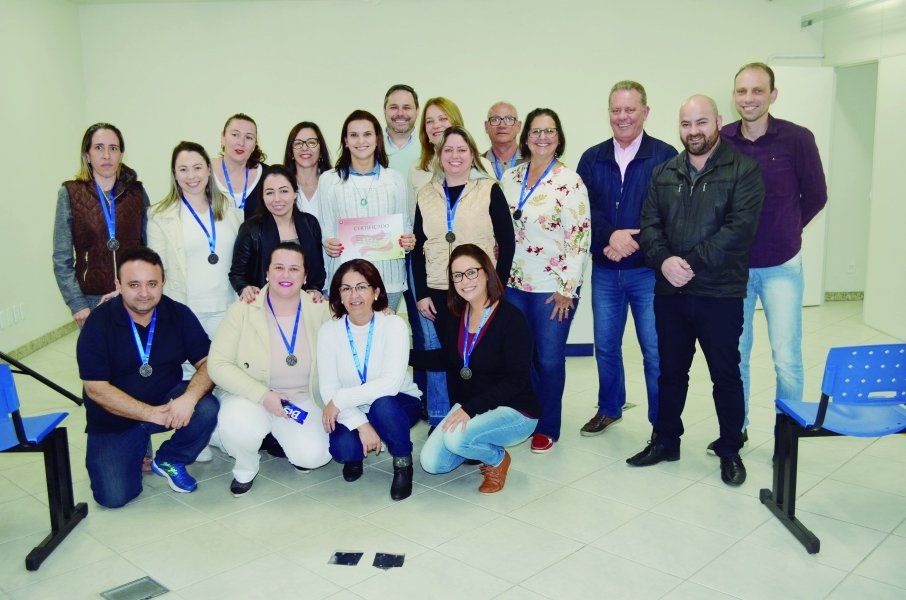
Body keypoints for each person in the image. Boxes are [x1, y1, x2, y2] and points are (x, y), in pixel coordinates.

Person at [629, 95, 764, 487]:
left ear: (719, 121)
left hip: (719, 293)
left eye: (701, 122)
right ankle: (665, 441)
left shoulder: (744, 170)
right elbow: (649, 225)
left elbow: (739, 231)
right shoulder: (664, 172)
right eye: (686, 124)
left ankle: (730, 449)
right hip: (671, 293)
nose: (693, 132)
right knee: (671, 372)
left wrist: (688, 263)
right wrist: (663, 261)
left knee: (726, 375)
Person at [720, 62, 828, 451]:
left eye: (757, 91)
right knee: (736, 355)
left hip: (782, 265)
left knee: (786, 357)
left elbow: (816, 195)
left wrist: (789, 228)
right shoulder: (722, 140)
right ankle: (738, 428)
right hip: (735, 268)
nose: (748, 98)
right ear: (734, 96)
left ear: (773, 95)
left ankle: (788, 437)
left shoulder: (797, 139)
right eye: (742, 91)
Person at [76, 246, 219, 508]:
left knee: (206, 406)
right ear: (118, 285)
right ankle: (135, 447)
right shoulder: (98, 323)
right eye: (134, 285)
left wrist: (188, 399)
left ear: (163, 282)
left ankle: (170, 458)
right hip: (114, 418)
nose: (144, 293)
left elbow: (209, 362)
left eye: (152, 284)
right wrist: (150, 414)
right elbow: (95, 388)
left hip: (164, 402)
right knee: (114, 497)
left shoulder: (178, 314)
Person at [575, 81, 678, 437]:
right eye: (616, 110)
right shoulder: (592, 158)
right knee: (606, 346)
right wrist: (609, 239)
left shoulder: (665, 156)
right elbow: (583, 209)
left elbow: (670, 213)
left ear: (645, 112)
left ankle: (661, 423)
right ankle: (609, 408)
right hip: (605, 271)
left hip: (648, 272)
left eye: (630, 109)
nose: (623, 117)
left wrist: (635, 242)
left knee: (654, 350)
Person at [208, 243, 332, 496]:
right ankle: (245, 466)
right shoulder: (243, 308)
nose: (286, 275)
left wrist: (383, 311)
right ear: (266, 273)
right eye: (278, 268)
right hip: (253, 396)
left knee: (314, 457)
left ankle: (277, 436)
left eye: (294, 269)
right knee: (237, 424)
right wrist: (263, 395)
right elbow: (217, 364)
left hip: (301, 399)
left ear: (305, 277)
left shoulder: (320, 309)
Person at [501, 108, 590, 453]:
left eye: (549, 130)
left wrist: (568, 289)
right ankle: (529, 415)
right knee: (522, 358)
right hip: (513, 284)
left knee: (549, 360)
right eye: (536, 131)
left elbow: (579, 239)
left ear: (558, 137)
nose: (542, 137)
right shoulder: (511, 177)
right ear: (526, 138)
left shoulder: (570, 182)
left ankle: (548, 426)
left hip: (552, 289)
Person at [417, 244, 539, 494]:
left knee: (456, 438)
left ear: (487, 273)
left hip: (514, 410)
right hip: (473, 405)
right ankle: (474, 442)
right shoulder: (456, 315)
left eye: (471, 272)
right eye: (457, 276)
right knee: (432, 464)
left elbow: (516, 380)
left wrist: (470, 409)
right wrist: (404, 357)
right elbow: (447, 359)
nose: (465, 281)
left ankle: (496, 459)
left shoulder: (511, 319)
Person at [318, 259, 422, 501]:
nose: (354, 295)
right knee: (344, 449)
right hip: (353, 407)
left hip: (397, 402)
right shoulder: (328, 331)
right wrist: (361, 425)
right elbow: (329, 389)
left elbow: (390, 384)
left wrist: (341, 399)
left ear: (376, 292)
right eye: (346, 288)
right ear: (339, 295)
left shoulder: (393, 325)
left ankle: (402, 462)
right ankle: (357, 454)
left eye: (361, 287)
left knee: (382, 406)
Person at [412, 126, 516, 356]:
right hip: (438, 288)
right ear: (439, 155)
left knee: (482, 355)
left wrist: (498, 288)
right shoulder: (425, 194)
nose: (455, 156)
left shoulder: (489, 190)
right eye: (448, 150)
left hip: (480, 288)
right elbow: (418, 248)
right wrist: (421, 294)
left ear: (472, 155)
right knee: (451, 356)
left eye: (461, 150)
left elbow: (507, 243)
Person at [53, 122, 149, 328]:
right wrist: (77, 303)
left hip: (133, 295)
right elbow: (62, 258)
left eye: (113, 148)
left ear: (121, 155)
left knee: (137, 349)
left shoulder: (137, 193)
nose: (106, 155)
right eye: (98, 148)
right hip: (91, 301)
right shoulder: (70, 193)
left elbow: (148, 248)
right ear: (87, 155)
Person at [317, 109, 414, 311]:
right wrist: (328, 243)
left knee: (385, 329)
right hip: (345, 281)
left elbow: (405, 226)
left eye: (367, 134)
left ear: (377, 139)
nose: (361, 141)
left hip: (388, 280)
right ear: (345, 141)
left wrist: (407, 241)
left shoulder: (395, 179)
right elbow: (325, 226)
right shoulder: (329, 180)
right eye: (354, 135)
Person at [148, 141, 243, 339]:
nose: (191, 176)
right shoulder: (160, 216)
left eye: (197, 168)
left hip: (229, 309)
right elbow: (156, 270)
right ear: (174, 174)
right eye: (183, 169)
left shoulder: (230, 209)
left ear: (209, 170)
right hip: (185, 311)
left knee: (226, 358)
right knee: (192, 361)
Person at [229, 164, 326, 303]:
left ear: (295, 193)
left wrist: (315, 289)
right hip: (263, 305)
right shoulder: (251, 229)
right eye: (269, 192)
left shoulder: (310, 223)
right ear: (262, 196)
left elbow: (318, 270)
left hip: (304, 304)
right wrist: (244, 288)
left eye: (284, 191)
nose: (277, 199)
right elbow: (237, 274)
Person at [213, 113, 267, 220]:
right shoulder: (204, 172)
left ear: (254, 145)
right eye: (235, 135)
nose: (241, 143)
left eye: (248, 137)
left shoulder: (268, 175)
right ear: (223, 137)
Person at [383, 84, 421, 176]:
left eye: (406, 107)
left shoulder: (430, 147)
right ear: (384, 111)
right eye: (394, 107)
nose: (400, 113)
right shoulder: (370, 146)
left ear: (417, 111)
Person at [483, 101, 527, 180]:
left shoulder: (533, 161)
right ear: (486, 127)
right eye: (495, 119)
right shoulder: (477, 164)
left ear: (518, 126)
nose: (502, 125)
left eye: (509, 119)